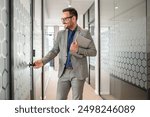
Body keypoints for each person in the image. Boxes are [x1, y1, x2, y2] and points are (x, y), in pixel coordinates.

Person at [33, 7, 97, 100]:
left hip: (78, 72)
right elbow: (54, 51)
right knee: (59, 99)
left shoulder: (84, 33)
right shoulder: (60, 34)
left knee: (77, 100)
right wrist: (43, 61)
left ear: (74, 18)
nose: (63, 21)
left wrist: (78, 50)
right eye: (62, 19)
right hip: (64, 72)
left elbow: (93, 52)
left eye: (65, 19)